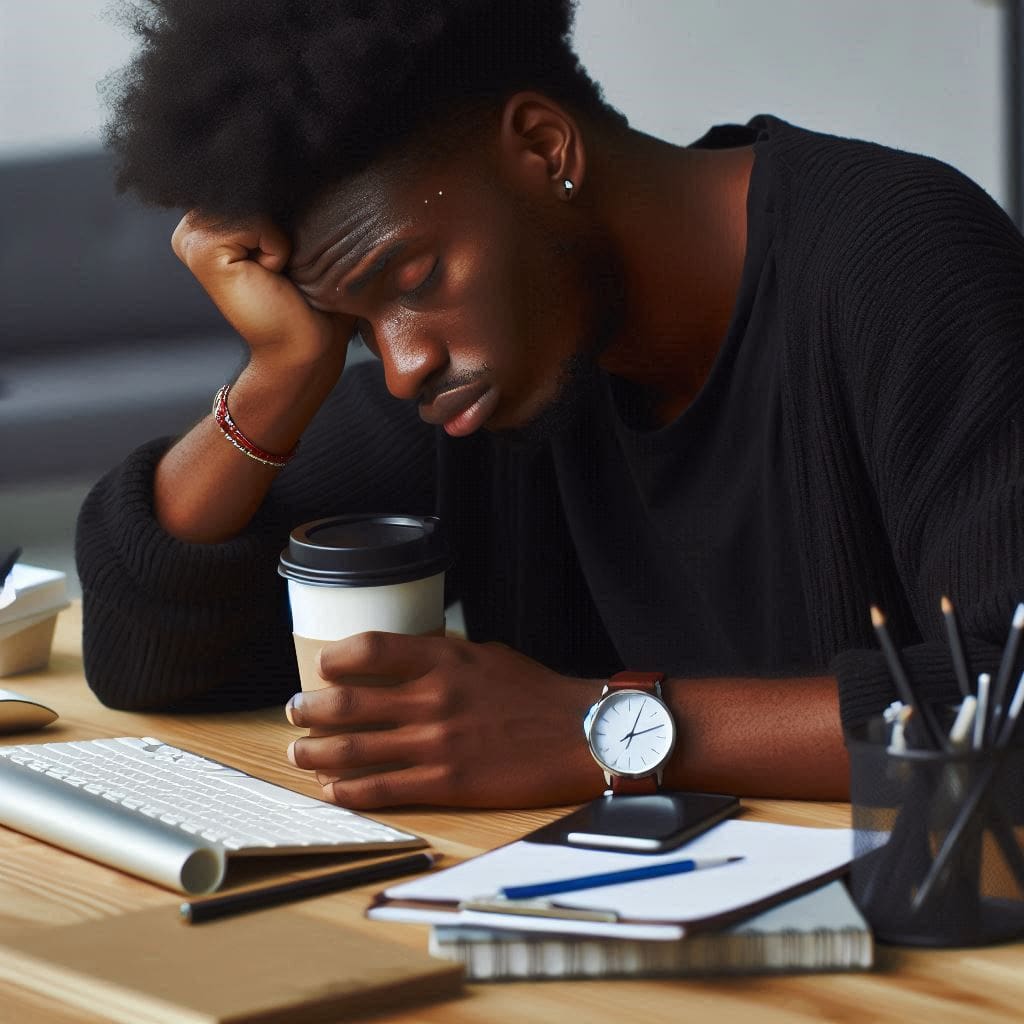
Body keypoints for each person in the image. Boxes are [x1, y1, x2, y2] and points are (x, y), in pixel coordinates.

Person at [77, 0, 1024, 810]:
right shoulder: (498, 378)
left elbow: (1010, 699)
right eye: (359, 325)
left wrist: (598, 729)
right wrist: (282, 372)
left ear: (542, 147)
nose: (403, 364)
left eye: (413, 275)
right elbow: (147, 652)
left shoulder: (898, 259)